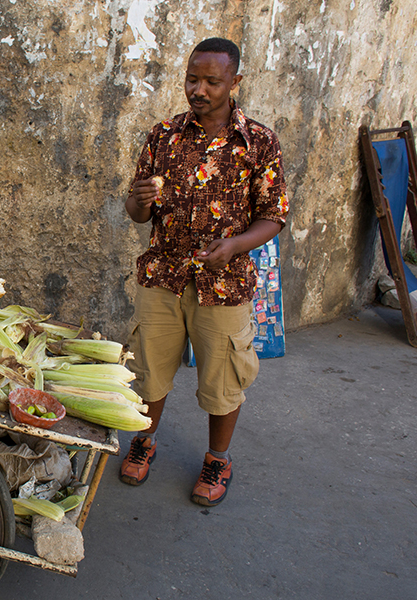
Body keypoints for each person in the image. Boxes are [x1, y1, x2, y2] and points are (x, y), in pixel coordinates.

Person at [120, 37, 289, 507]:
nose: (199, 89)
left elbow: (274, 215)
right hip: (163, 278)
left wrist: (233, 245)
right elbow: (136, 211)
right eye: (193, 78)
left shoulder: (258, 142)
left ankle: (218, 458)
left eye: (212, 81)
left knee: (223, 377)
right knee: (149, 370)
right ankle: (143, 439)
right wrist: (137, 199)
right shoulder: (163, 135)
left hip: (225, 283)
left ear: (234, 82)